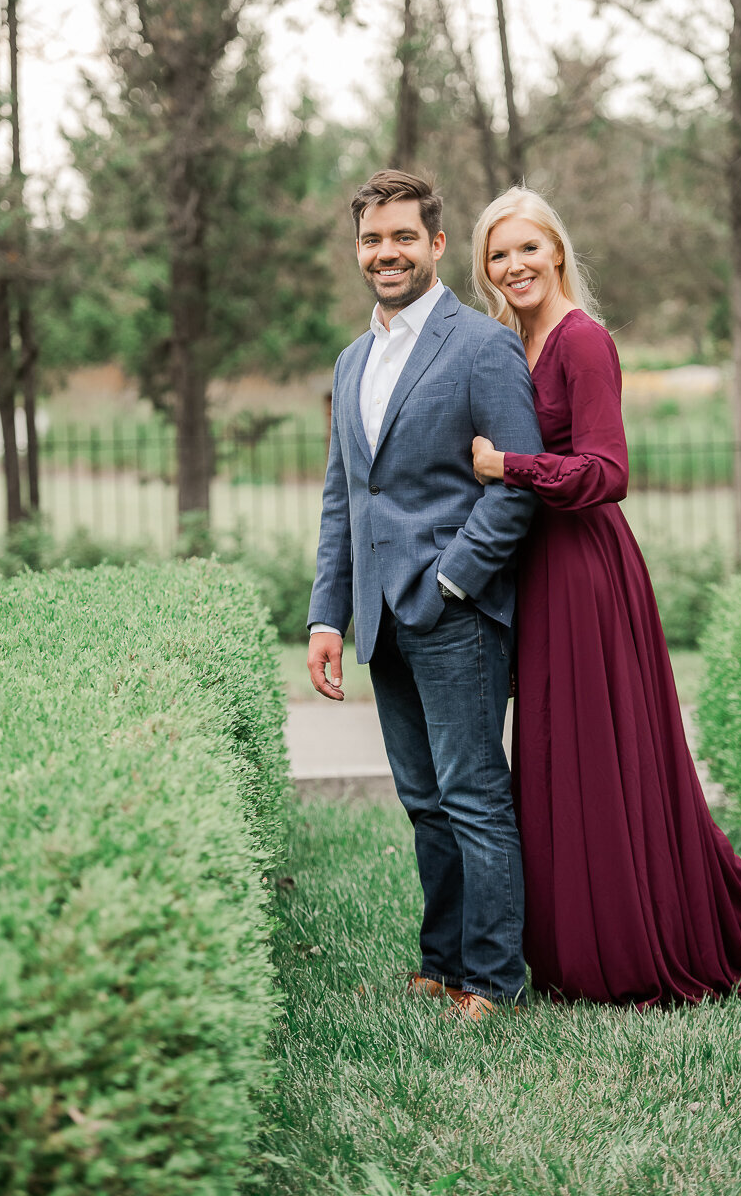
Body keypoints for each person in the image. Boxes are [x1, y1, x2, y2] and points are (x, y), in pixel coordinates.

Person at [470, 186, 741, 1008]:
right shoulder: (509, 343)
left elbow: (607, 472)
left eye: (528, 248)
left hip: (586, 571)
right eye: (498, 254)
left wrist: (508, 467)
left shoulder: (583, 341)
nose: (514, 265)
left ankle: (626, 946)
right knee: (553, 756)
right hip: (537, 568)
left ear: (557, 251)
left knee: (597, 757)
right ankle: (565, 944)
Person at [307, 170, 543, 1018]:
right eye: (373, 238)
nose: (387, 252)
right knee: (421, 800)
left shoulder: (482, 346)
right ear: (358, 249)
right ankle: (439, 962)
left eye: (403, 236)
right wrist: (326, 615)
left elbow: (514, 485)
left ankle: (493, 978)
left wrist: (453, 579)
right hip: (377, 617)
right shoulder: (349, 362)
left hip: (455, 614)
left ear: (436, 245)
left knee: (473, 794)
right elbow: (344, 497)